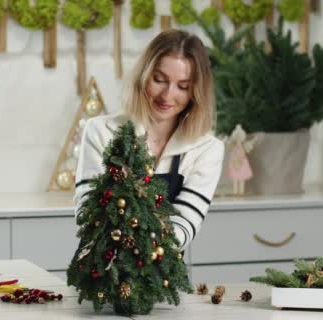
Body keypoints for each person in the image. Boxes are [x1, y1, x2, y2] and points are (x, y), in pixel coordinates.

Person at [73, 29, 224, 251]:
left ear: (196, 91)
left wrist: (143, 246)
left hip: (163, 280)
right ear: (143, 76)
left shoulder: (207, 149)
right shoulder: (100, 131)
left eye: (183, 86)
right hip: (99, 274)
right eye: (159, 80)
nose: (167, 95)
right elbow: (87, 214)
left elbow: (184, 225)